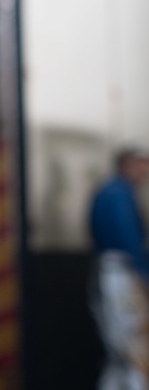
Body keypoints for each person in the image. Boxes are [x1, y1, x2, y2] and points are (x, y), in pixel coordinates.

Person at [88, 145, 149, 389]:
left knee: (118, 353)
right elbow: (130, 241)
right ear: (127, 164)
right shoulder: (118, 194)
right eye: (141, 163)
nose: (145, 170)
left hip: (110, 273)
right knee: (133, 346)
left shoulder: (111, 191)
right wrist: (144, 275)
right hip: (121, 275)